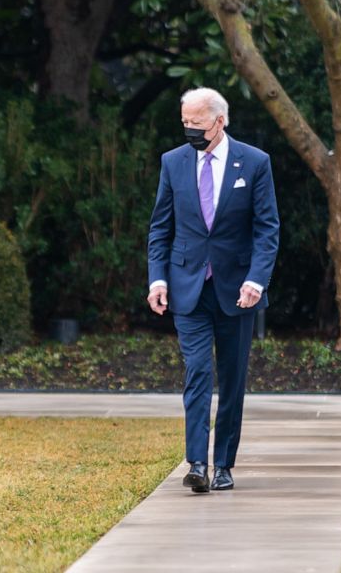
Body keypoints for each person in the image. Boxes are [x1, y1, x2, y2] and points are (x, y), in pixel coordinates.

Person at [147, 87, 279, 493]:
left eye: (197, 124)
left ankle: (224, 463)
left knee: (233, 378)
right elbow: (160, 227)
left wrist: (256, 280)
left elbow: (267, 228)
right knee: (199, 372)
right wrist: (157, 278)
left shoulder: (254, 162)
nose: (189, 130)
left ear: (220, 121)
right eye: (184, 122)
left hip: (238, 289)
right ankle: (197, 463)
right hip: (188, 288)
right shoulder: (173, 162)